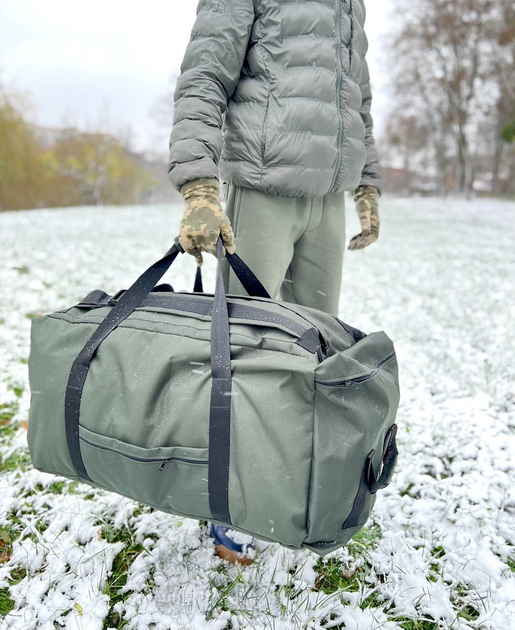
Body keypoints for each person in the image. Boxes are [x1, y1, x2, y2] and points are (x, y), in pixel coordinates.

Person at [168, 0, 382, 565]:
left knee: (313, 356)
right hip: (261, 191)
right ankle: (227, 506)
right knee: (240, 352)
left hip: (327, 201)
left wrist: (367, 185)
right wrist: (198, 187)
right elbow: (204, 75)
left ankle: (287, 487)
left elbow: (355, 96)